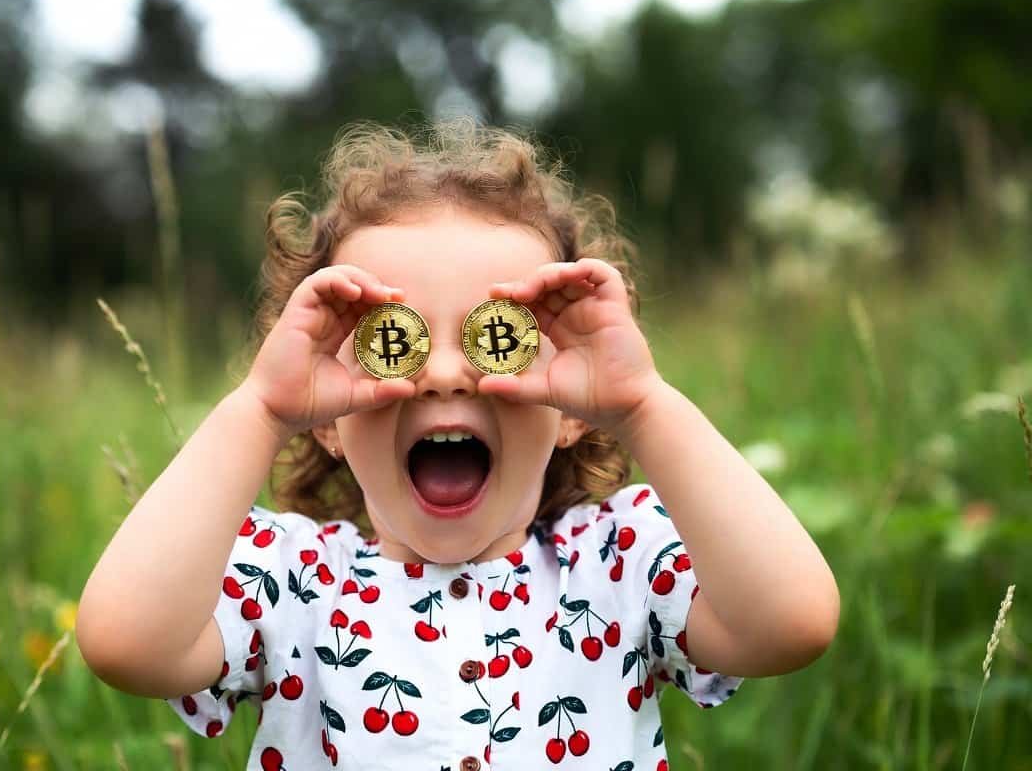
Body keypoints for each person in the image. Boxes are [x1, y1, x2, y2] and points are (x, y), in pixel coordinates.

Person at [76, 118, 840, 770]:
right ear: (331, 423)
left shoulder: (617, 564)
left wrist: (643, 405)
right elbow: (124, 642)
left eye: (496, 339)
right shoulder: (295, 586)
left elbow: (791, 623)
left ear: (571, 412)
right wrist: (260, 410)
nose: (443, 373)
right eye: (391, 342)